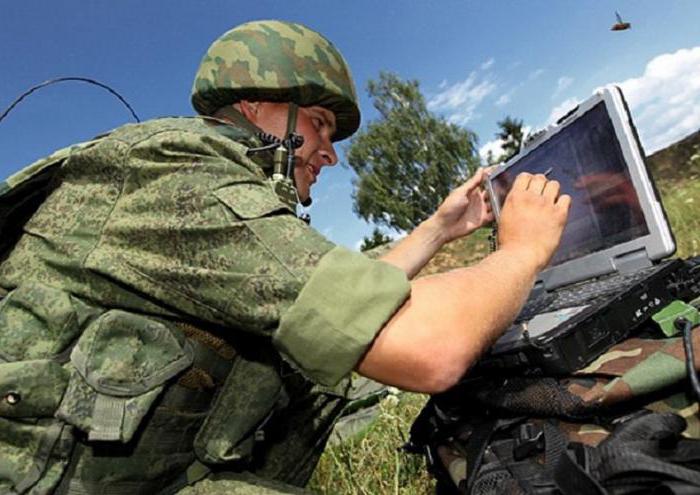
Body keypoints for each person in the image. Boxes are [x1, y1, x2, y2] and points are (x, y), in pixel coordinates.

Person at [0, 20, 570, 495]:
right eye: (319, 124)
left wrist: (439, 230)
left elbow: (345, 308)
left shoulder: (188, 174)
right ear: (253, 105)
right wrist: (524, 249)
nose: (330, 154)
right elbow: (427, 350)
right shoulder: (179, 174)